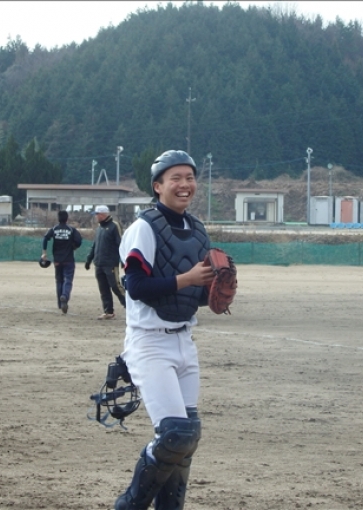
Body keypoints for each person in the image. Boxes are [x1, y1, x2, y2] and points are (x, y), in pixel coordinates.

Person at [113, 150, 215, 510]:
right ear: (158, 186)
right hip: (150, 343)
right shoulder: (144, 227)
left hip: (185, 342)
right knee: (175, 434)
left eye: (190, 177)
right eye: (176, 178)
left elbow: (190, 296)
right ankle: (129, 505)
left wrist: (213, 294)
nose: (185, 184)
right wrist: (188, 278)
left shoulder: (197, 230)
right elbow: (136, 287)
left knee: (187, 439)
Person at [85, 205, 126, 320]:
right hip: (99, 263)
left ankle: (130, 307)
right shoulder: (99, 228)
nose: (95, 217)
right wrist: (89, 259)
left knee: (116, 286)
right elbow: (95, 245)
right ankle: (108, 311)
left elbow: (120, 244)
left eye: (97, 214)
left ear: (102, 215)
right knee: (103, 288)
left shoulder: (114, 226)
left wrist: (123, 260)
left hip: (110, 263)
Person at [41, 210, 82, 314]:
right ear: (67, 219)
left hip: (57, 260)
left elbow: (45, 238)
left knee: (59, 281)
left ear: (58, 218)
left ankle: (60, 304)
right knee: (68, 279)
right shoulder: (71, 229)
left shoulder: (54, 229)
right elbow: (79, 241)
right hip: (68, 259)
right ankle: (64, 296)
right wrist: (74, 246)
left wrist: (44, 253)